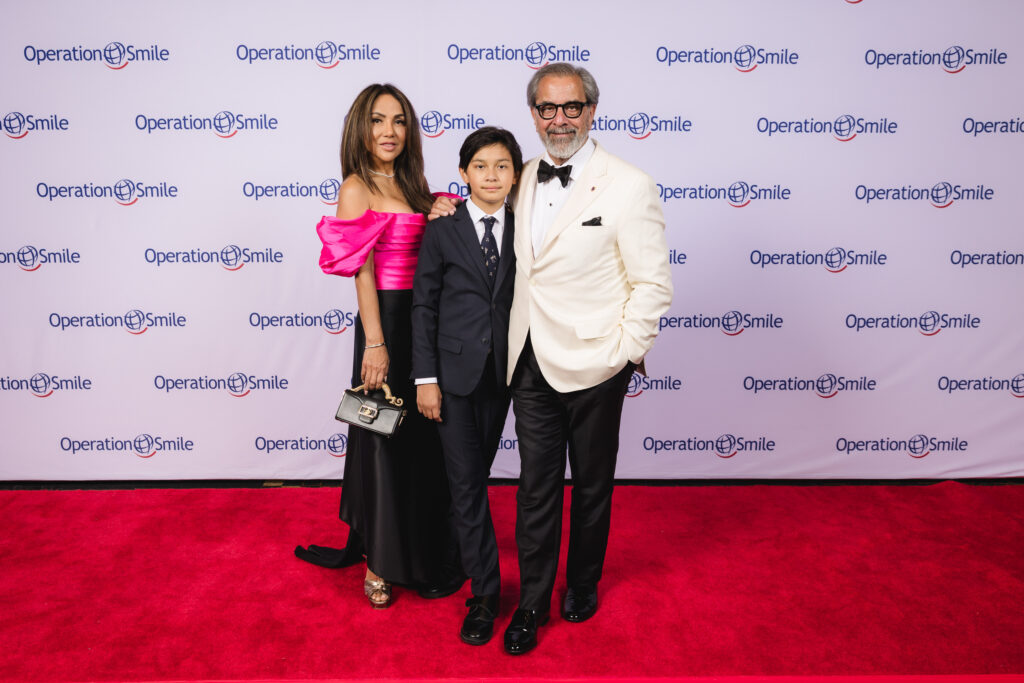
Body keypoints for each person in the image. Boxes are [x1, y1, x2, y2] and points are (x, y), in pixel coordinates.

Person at [434, 63, 673, 653]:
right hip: (530, 361)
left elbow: (653, 285)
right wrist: (442, 207)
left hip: (598, 363)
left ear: (591, 110)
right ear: (534, 115)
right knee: (535, 489)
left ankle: (583, 583)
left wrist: (625, 354)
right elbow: (479, 202)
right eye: (547, 108)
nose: (559, 118)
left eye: (570, 107)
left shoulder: (629, 183)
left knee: (591, 486)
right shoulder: (522, 176)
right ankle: (533, 602)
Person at [296, 83, 461, 609]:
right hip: (384, 322)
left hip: (424, 322)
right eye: (377, 121)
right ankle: (379, 562)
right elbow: (361, 272)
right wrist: (374, 342)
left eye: (398, 121)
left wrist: (441, 214)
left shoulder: (415, 185)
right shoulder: (356, 186)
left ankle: (420, 546)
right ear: (360, 128)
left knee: (421, 442)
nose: (388, 132)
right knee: (383, 437)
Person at [411, 127, 523, 644]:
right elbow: (424, 306)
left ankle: (456, 556)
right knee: (466, 481)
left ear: (515, 175)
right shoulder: (444, 228)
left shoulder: (528, 226)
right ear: (463, 174)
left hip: (504, 374)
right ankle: (485, 595)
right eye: (481, 166)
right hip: (451, 379)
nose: (492, 175)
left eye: (502, 166)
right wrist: (426, 378)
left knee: (474, 475)